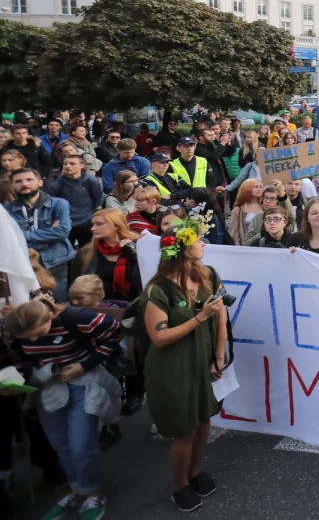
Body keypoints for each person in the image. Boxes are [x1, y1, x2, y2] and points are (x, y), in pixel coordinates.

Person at [139, 211, 228, 511]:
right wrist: (198, 317)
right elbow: (160, 338)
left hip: (202, 362)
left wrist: (218, 356)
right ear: (181, 250)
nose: (203, 243)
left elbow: (221, 316)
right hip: (173, 368)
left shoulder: (208, 274)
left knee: (203, 424)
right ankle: (180, 485)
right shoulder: (158, 289)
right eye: (197, 240)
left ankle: (194, 472)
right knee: (185, 430)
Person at [5, 296, 122, 520]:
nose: (34, 339)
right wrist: (18, 375)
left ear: (50, 315)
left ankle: (94, 493)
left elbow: (115, 332)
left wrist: (85, 364)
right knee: (60, 444)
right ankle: (78, 490)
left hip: (83, 382)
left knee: (80, 444)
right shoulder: (18, 328)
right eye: (28, 338)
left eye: (39, 333)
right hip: (48, 387)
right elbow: (24, 358)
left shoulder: (75, 318)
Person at [5, 168, 75, 299]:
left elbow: (63, 231)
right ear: (13, 185)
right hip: (24, 264)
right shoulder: (6, 210)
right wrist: (50, 232)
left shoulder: (58, 204)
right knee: (29, 306)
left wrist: (22, 235)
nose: (24, 184)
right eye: (18, 181)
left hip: (55, 262)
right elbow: (6, 238)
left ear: (40, 182)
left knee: (59, 304)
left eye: (29, 180)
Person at [67, 209, 142, 303]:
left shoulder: (138, 247)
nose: (93, 228)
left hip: (133, 307)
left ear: (115, 225)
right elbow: (74, 283)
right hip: (96, 309)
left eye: (99, 224)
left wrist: (132, 253)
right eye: (93, 224)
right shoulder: (86, 252)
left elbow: (146, 279)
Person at [47, 154, 104, 248]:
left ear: (82, 165)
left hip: (87, 223)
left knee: (87, 253)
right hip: (65, 224)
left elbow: (98, 200)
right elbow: (50, 204)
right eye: (65, 164)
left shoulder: (91, 182)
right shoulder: (56, 185)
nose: (68, 166)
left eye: (72, 163)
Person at [227, 179, 264, 246]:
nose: (259, 189)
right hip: (246, 246)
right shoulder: (238, 210)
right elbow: (234, 232)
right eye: (256, 187)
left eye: (260, 187)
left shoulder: (265, 207)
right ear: (247, 189)